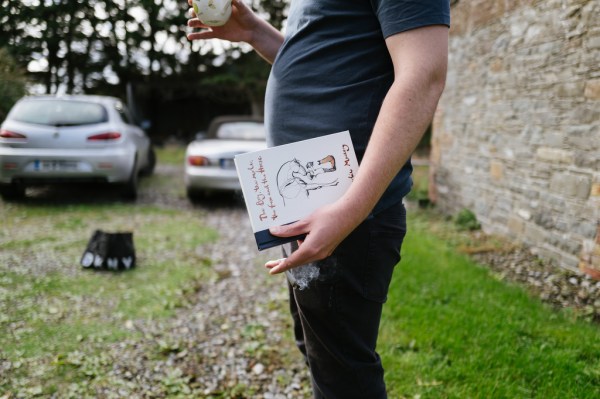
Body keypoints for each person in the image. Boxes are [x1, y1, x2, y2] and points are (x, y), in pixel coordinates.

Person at [188, 1, 450, 397]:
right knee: (320, 355)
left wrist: (351, 209)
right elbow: (327, 66)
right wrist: (256, 33)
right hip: (315, 204)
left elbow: (424, 75)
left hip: (349, 209)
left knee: (342, 377)